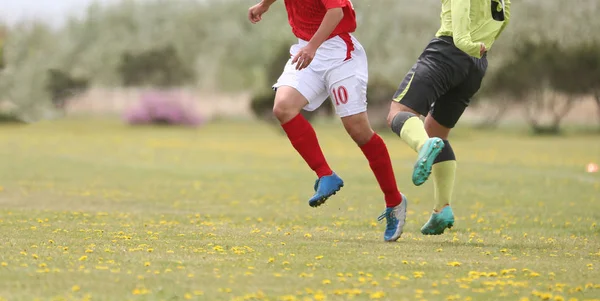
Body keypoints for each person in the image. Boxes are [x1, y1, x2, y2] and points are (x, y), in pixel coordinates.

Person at [248, 0, 407, 241]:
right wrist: (264, 5)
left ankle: (394, 201)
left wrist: (312, 47)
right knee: (283, 108)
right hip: (307, 49)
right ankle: (325, 174)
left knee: (358, 130)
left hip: (339, 53)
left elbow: (335, 12)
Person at [386, 0, 511, 235]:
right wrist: (479, 48)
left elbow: (462, 16)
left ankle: (424, 146)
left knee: (399, 112)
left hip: (449, 50)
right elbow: (504, 20)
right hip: (476, 65)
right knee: (437, 131)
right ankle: (441, 209)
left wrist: (466, 43)